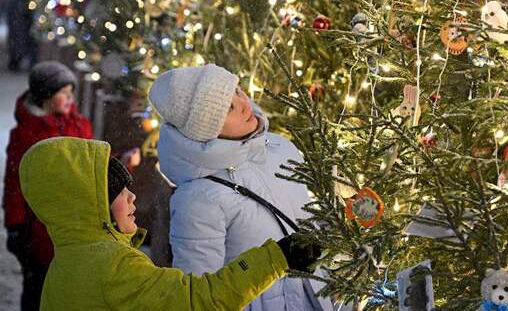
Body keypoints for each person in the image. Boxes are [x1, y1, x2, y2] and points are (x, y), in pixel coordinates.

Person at [17, 137, 322, 310]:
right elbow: (196, 301)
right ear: (92, 205)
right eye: (121, 194)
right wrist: (277, 257)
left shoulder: (69, 261)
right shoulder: (112, 266)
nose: (134, 198)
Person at [149, 64, 333, 311]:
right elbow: (202, 296)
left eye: (238, 91)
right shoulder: (197, 198)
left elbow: (309, 221)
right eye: (229, 108)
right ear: (207, 129)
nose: (245, 104)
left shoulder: (280, 149)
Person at [3, 61, 92, 311]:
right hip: (38, 229)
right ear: (46, 96)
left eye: (71, 92)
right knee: (38, 289)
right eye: (63, 93)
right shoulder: (27, 134)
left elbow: (90, 165)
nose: (70, 98)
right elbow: (14, 183)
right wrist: (15, 225)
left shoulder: (78, 125)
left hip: (74, 223)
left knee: (66, 289)